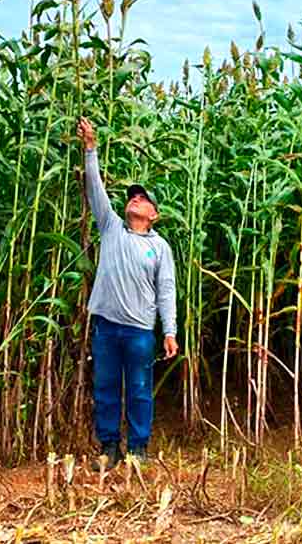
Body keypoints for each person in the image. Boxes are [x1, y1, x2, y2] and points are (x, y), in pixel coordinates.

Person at [76, 116, 178, 468]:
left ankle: (137, 449)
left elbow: (166, 291)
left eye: (143, 198)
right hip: (106, 326)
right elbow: (95, 188)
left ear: (154, 214)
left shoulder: (160, 248)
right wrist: (91, 148)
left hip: (138, 332)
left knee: (137, 390)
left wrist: (169, 332)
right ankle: (108, 448)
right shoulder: (111, 228)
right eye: (132, 196)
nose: (135, 199)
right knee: (105, 390)